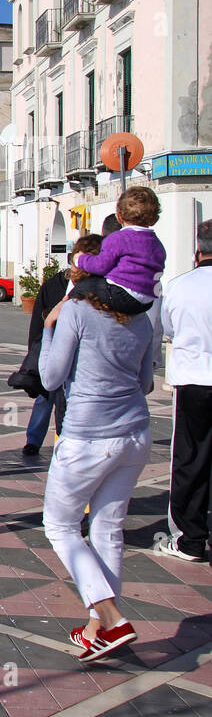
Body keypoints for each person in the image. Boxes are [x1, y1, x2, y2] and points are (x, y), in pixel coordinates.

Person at [38, 254, 161, 660]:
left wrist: (48, 329)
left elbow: (51, 377)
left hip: (88, 435)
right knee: (107, 530)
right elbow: (145, 382)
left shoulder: (76, 310)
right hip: (134, 433)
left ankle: (110, 616)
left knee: (59, 525)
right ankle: (98, 628)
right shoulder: (141, 317)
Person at [10, 237, 100, 455]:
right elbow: (38, 323)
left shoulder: (97, 291)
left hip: (78, 361)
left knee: (63, 402)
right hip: (53, 351)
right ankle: (34, 440)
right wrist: (35, 350)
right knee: (45, 397)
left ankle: (63, 443)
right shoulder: (54, 286)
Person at [155, 219, 212, 562]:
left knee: (190, 457)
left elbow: (169, 328)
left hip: (193, 379)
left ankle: (190, 537)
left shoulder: (179, 286)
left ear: (197, 251)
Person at [70, 186, 166, 316]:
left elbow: (100, 266)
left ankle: (63, 310)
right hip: (148, 300)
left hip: (123, 295)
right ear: (154, 219)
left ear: (119, 217)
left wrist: (80, 259)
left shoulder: (118, 238)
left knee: (84, 286)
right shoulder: (156, 243)